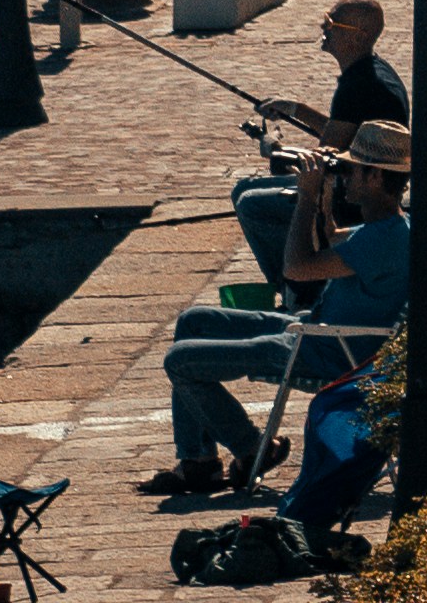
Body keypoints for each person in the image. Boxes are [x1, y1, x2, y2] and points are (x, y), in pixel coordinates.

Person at [157, 127, 405, 498]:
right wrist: (322, 199)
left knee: (180, 360)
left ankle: (252, 447)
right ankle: (199, 461)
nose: (346, 178)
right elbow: (329, 240)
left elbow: (296, 267)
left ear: (375, 176)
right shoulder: (390, 228)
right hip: (316, 331)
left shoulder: (383, 239)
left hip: (330, 353)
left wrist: (305, 198)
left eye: (353, 170)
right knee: (194, 321)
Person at [230, 0, 407, 282]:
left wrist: (274, 149)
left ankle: (294, 284)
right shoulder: (372, 72)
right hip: (359, 173)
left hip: (354, 189)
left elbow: (325, 158)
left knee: (251, 204)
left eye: (331, 23)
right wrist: (295, 109)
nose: (323, 27)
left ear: (359, 36)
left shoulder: (358, 86)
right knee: (242, 190)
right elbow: (339, 130)